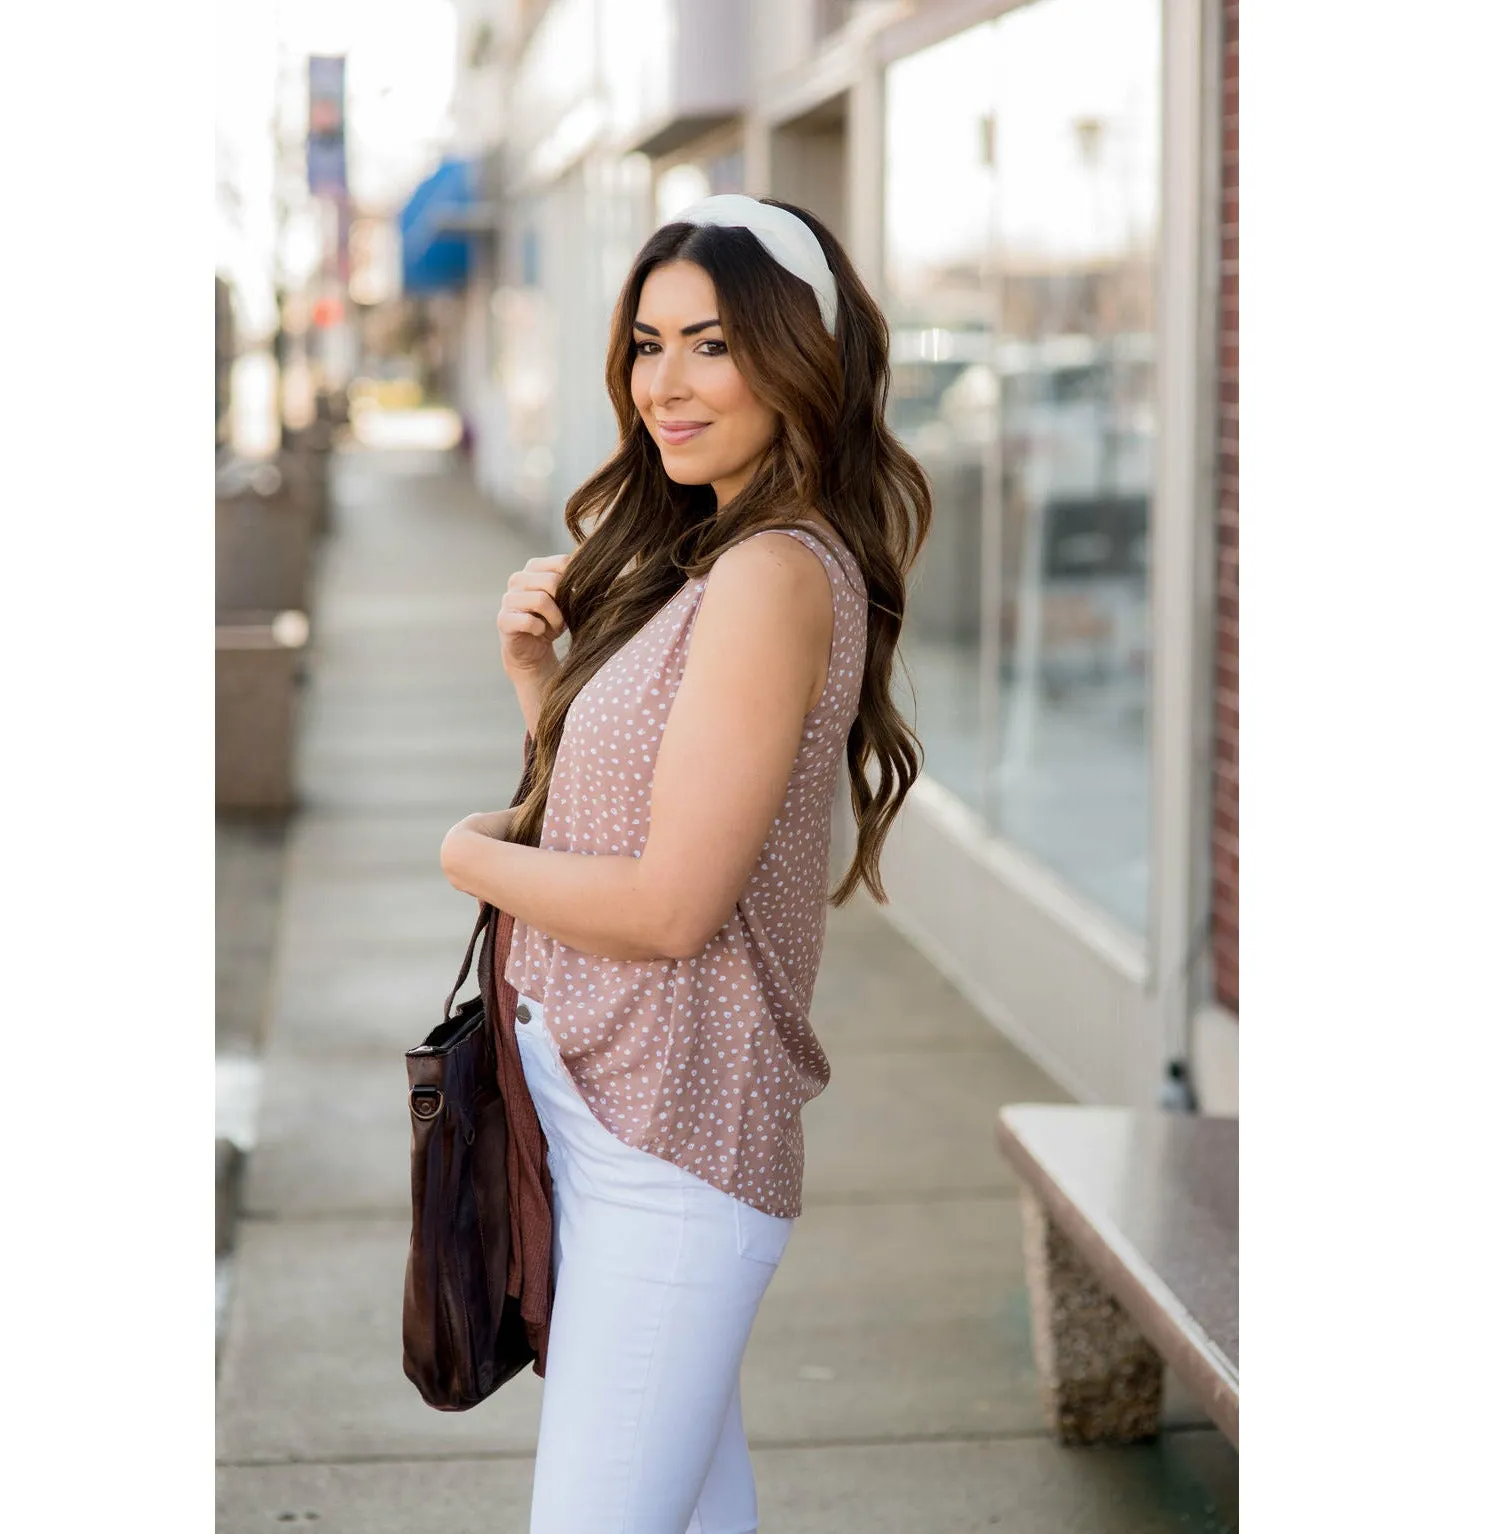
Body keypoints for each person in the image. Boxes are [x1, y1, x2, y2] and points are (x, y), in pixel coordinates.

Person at [439, 194, 932, 1534]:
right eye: (646, 343)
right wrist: (541, 688)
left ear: (795, 357)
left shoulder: (774, 571)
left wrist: (467, 855)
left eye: (708, 343)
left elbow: (666, 907)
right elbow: (641, 807)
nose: (664, 381)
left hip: (674, 1142)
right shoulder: (707, 554)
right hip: (607, 1113)